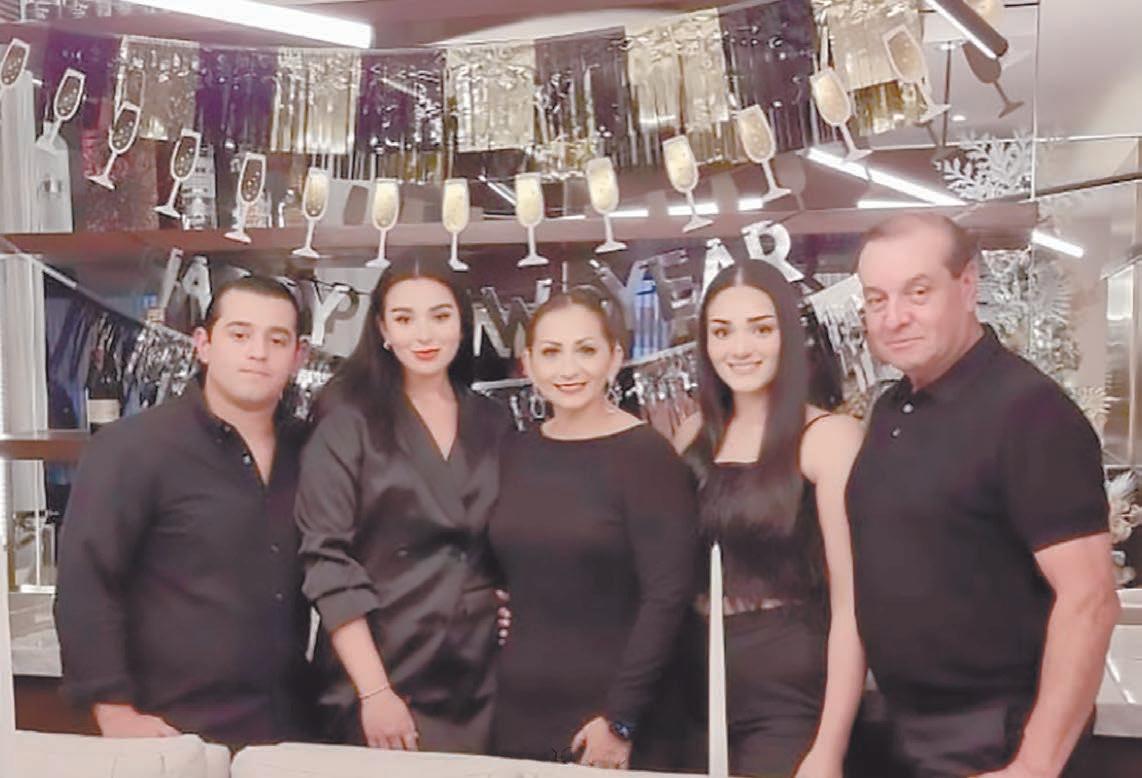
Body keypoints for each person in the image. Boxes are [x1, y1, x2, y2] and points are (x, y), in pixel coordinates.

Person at [847, 213, 1119, 777]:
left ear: (967, 286)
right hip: (903, 729)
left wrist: (1035, 763)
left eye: (917, 292)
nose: (894, 317)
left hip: (999, 737)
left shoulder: (1030, 412)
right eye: (877, 299)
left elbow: (1090, 599)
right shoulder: (891, 409)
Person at [56, 276, 314, 746]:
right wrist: (113, 711)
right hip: (173, 731)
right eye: (240, 334)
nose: (258, 352)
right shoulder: (131, 448)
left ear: (298, 356)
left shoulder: (310, 451)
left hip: (289, 731)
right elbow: (85, 585)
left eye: (276, 340)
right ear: (204, 344)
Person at [295, 255, 513, 753]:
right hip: (379, 667)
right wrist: (374, 692)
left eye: (440, 315)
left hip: (476, 672)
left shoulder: (493, 420)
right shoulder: (346, 416)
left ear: (463, 322)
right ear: (382, 329)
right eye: (404, 318)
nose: (424, 334)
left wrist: (509, 599)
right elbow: (326, 559)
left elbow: (515, 535)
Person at [488, 287, 698, 770]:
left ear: (614, 358)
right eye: (551, 352)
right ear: (528, 363)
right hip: (520, 709)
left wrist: (622, 720)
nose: (568, 369)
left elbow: (667, 597)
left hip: (613, 716)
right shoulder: (515, 451)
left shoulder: (647, 456)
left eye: (585, 350)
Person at [673, 261, 866, 778]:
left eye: (760, 329)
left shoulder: (830, 438)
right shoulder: (690, 435)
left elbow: (851, 605)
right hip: (691, 680)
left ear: (788, 335)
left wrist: (830, 747)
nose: (740, 348)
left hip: (788, 684)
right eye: (722, 332)